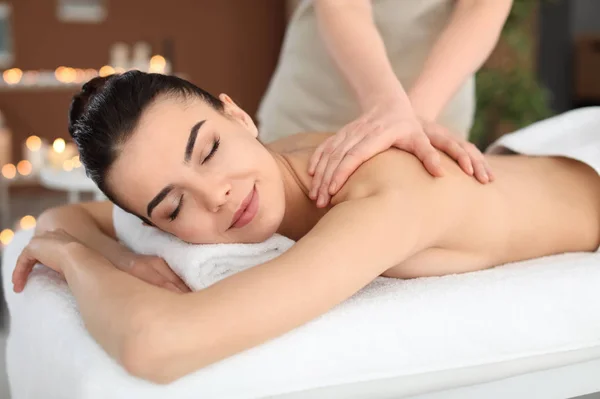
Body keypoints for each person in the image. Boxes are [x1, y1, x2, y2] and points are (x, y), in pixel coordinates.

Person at [12, 72, 600, 384]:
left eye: (209, 148)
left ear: (237, 114)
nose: (216, 195)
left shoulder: (385, 196)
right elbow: (68, 218)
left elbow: (154, 346)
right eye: (171, 209)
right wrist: (116, 257)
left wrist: (80, 261)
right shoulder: (278, 160)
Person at [258, 0, 512, 202]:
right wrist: (390, 108)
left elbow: (483, 5)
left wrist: (414, 116)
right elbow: (343, 4)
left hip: (437, 98)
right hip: (321, 98)